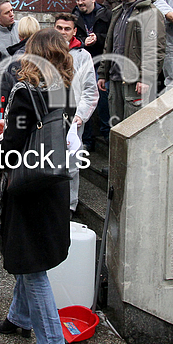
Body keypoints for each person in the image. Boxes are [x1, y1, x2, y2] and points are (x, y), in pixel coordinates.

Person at [0, 28, 75, 344]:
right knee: (28, 253)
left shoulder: (25, 90)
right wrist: (10, 123)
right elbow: (40, 130)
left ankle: (51, 343)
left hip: (26, 184)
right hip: (52, 181)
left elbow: (12, 147)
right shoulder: (63, 89)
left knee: (31, 263)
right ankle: (19, 317)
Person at [97, 0, 165, 126]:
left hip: (135, 82)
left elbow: (155, 49)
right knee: (117, 126)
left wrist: (146, 77)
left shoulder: (150, 12)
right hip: (116, 79)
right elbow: (110, 43)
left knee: (134, 127)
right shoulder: (119, 11)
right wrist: (103, 73)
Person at [54, 14, 98, 211]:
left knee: (71, 165)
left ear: (74, 31)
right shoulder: (45, 52)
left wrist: (80, 116)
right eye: (59, 27)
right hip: (48, 117)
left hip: (73, 119)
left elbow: (90, 90)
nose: (63, 32)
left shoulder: (83, 56)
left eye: (67, 29)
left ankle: (69, 206)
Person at [72, 0, 111, 150]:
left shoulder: (106, 14)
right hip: (81, 60)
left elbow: (111, 37)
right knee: (81, 99)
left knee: (102, 97)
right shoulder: (74, 16)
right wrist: (83, 41)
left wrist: (98, 39)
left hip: (101, 62)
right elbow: (71, 37)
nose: (80, 2)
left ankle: (107, 135)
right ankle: (86, 141)